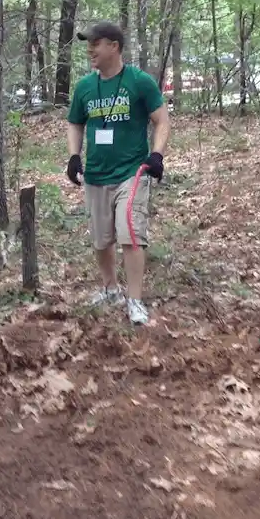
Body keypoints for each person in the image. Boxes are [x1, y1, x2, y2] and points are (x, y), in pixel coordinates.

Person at [66, 21, 170, 325]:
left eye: (95, 43)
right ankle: (111, 289)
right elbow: (75, 122)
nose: (90, 49)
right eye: (88, 44)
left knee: (131, 234)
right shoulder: (85, 87)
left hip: (131, 172)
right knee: (101, 240)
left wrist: (157, 155)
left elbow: (162, 120)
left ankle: (135, 300)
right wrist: (74, 156)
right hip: (96, 175)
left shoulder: (139, 82)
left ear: (114, 46)